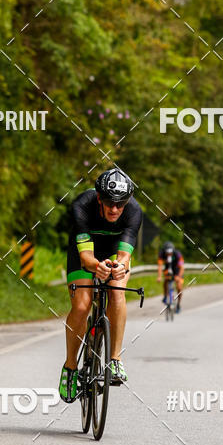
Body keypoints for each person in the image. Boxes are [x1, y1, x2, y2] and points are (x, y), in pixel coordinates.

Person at [59, 168, 142, 403]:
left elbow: (124, 257)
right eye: (109, 203)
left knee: (117, 292)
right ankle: (71, 366)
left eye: (120, 204)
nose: (114, 209)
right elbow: (86, 258)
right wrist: (97, 267)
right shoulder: (82, 205)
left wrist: (119, 266)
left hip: (114, 250)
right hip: (85, 253)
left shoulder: (134, 211)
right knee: (82, 305)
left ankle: (115, 359)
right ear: (98, 197)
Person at [157, 241, 184, 313]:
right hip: (168, 269)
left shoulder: (178, 254)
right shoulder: (161, 254)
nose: (169, 254)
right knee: (166, 280)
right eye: (167, 252)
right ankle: (165, 296)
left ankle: (178, 304)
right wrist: (159, 276)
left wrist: (178, 277)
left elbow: (182, 267)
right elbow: (160, 266)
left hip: (177, 270)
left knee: (179, 287)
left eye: (170, 252)